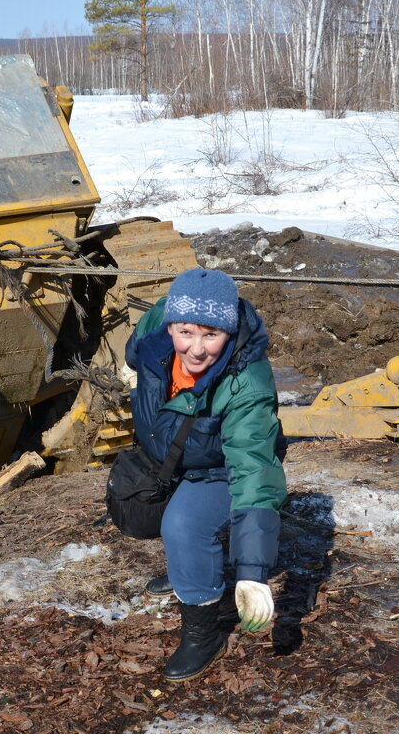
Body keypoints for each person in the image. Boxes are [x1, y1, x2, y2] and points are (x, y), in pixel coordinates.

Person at [124, 267, 287, 682]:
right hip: (175, 450)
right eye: (186, 333)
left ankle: (203, 632)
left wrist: (253, 573)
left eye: (211, 335)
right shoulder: (154, 325)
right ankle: (190, 567)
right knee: (136, 503)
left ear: (230, 333)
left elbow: (253, 469)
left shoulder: (247, 381)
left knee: (183, 524)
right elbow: (134, 350)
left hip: (221, 461)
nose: (196, 350)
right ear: (171, 324)